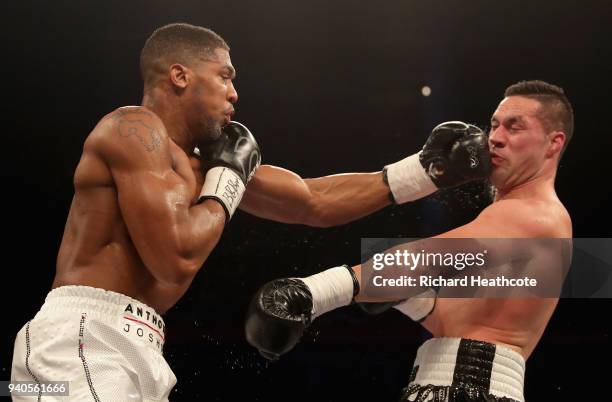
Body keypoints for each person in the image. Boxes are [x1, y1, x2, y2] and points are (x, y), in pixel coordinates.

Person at [10, 23, 489, 401]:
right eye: (224, 76)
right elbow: (173, 256)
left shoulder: (204, 163)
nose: (234, 93)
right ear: (179, 75)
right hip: (81, 336)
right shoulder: (131, 130)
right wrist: (228, 180)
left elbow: (312, 202)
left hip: (140, 346)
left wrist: (425, 173)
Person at [245, 80, 574, 402]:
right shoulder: (516, 220)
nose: (495, 139)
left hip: (470, 390)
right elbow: (454, 320)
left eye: (514, 128)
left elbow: (426, 259)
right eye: (494, 125)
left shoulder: (537, 216)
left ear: (553, 143)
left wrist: (315, 292)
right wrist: (410, 297)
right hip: (450, 384)